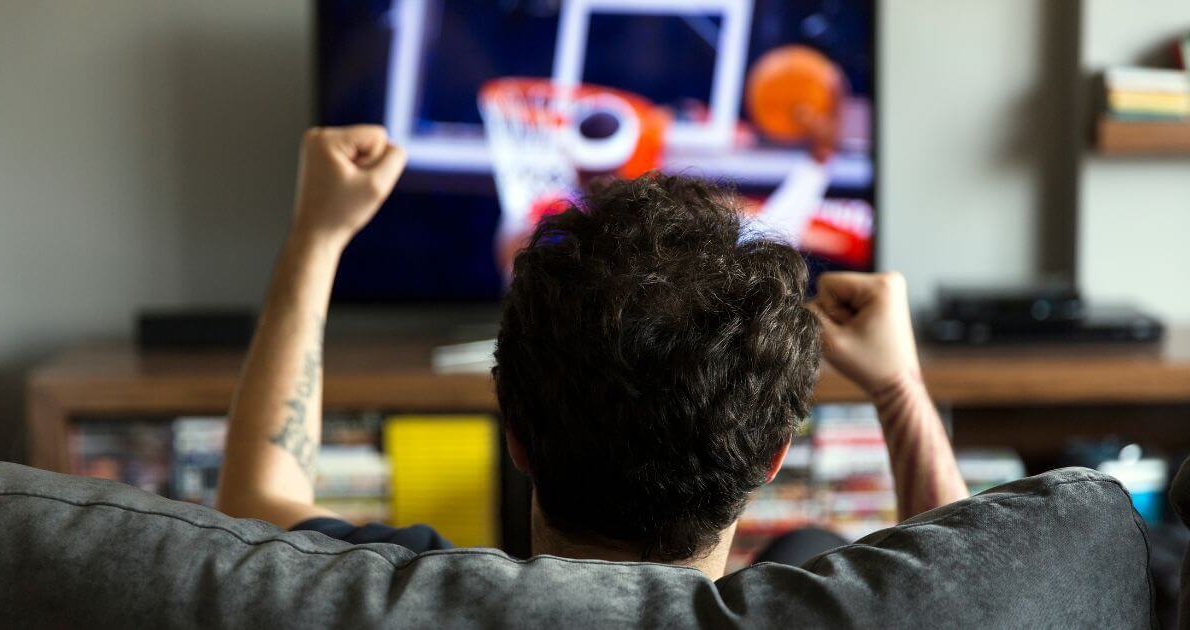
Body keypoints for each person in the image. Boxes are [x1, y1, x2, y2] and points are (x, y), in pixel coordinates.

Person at [216, 125, 968, 580]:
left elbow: (258, 500)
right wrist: (900, 387)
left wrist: (318, 233)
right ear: (773, 457)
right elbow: (974, 577)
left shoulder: (399, 597)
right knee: (809, 546)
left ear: (516, 428)